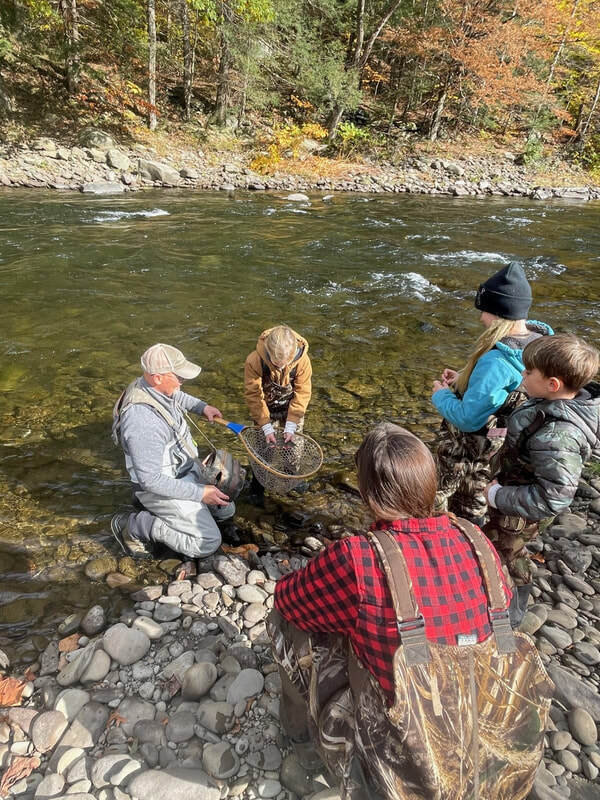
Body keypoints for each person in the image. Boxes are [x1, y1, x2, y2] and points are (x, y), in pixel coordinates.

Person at [268, 423, 552, 800]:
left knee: (284, 622)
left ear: (368, 493)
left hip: (416, 758)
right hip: (492, 737)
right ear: (430, 483)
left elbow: (287, 599)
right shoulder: (478, 540)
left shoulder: (358, 556)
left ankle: (300, 740)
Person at [431, 262, 552, 525]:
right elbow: (504, 390)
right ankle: (474, 533)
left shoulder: (496, 361)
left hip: (467, 445)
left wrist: (441, 395)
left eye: (484, 311)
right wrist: (464, 378)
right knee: (478, 487)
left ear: (498, 314)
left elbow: (467, 419)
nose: (481, 318)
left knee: (440, 489)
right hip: (499, 442)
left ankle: (440, 531)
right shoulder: (539, 344)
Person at [484, 333, 600, 587]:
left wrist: (496, 495)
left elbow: (553, 497)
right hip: (515, 489)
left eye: (528, 372)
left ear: (553, 384)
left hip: (519, 510)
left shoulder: (559, 437)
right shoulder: (555, 401)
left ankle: (513, 596)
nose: (522, 374)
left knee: (504, 553)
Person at [111, 343, 239, 559]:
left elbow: (177, 395)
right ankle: (135, 526)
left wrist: (202, 407)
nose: (183, 381)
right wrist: (200, 493)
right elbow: (150, 481)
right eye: (179, 377)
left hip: (184, 470)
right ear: (157, 377)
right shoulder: (142, 422)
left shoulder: (154, 387)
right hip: (160, 486)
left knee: (227, 509)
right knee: (207, 542)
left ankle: (184, 516)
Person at [244, 325, 312, 501]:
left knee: (294, 448)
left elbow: (303, 393)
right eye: (276, 364)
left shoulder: (302, 361)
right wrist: (265, 425)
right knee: (263, 449)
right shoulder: (254, 361)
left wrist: (291, 423)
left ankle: (291, 480)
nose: (281, 366)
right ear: (268, 352)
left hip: (291, 408)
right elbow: (253, 396)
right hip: (266, 409)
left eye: (285, 363)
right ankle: (257, 486)